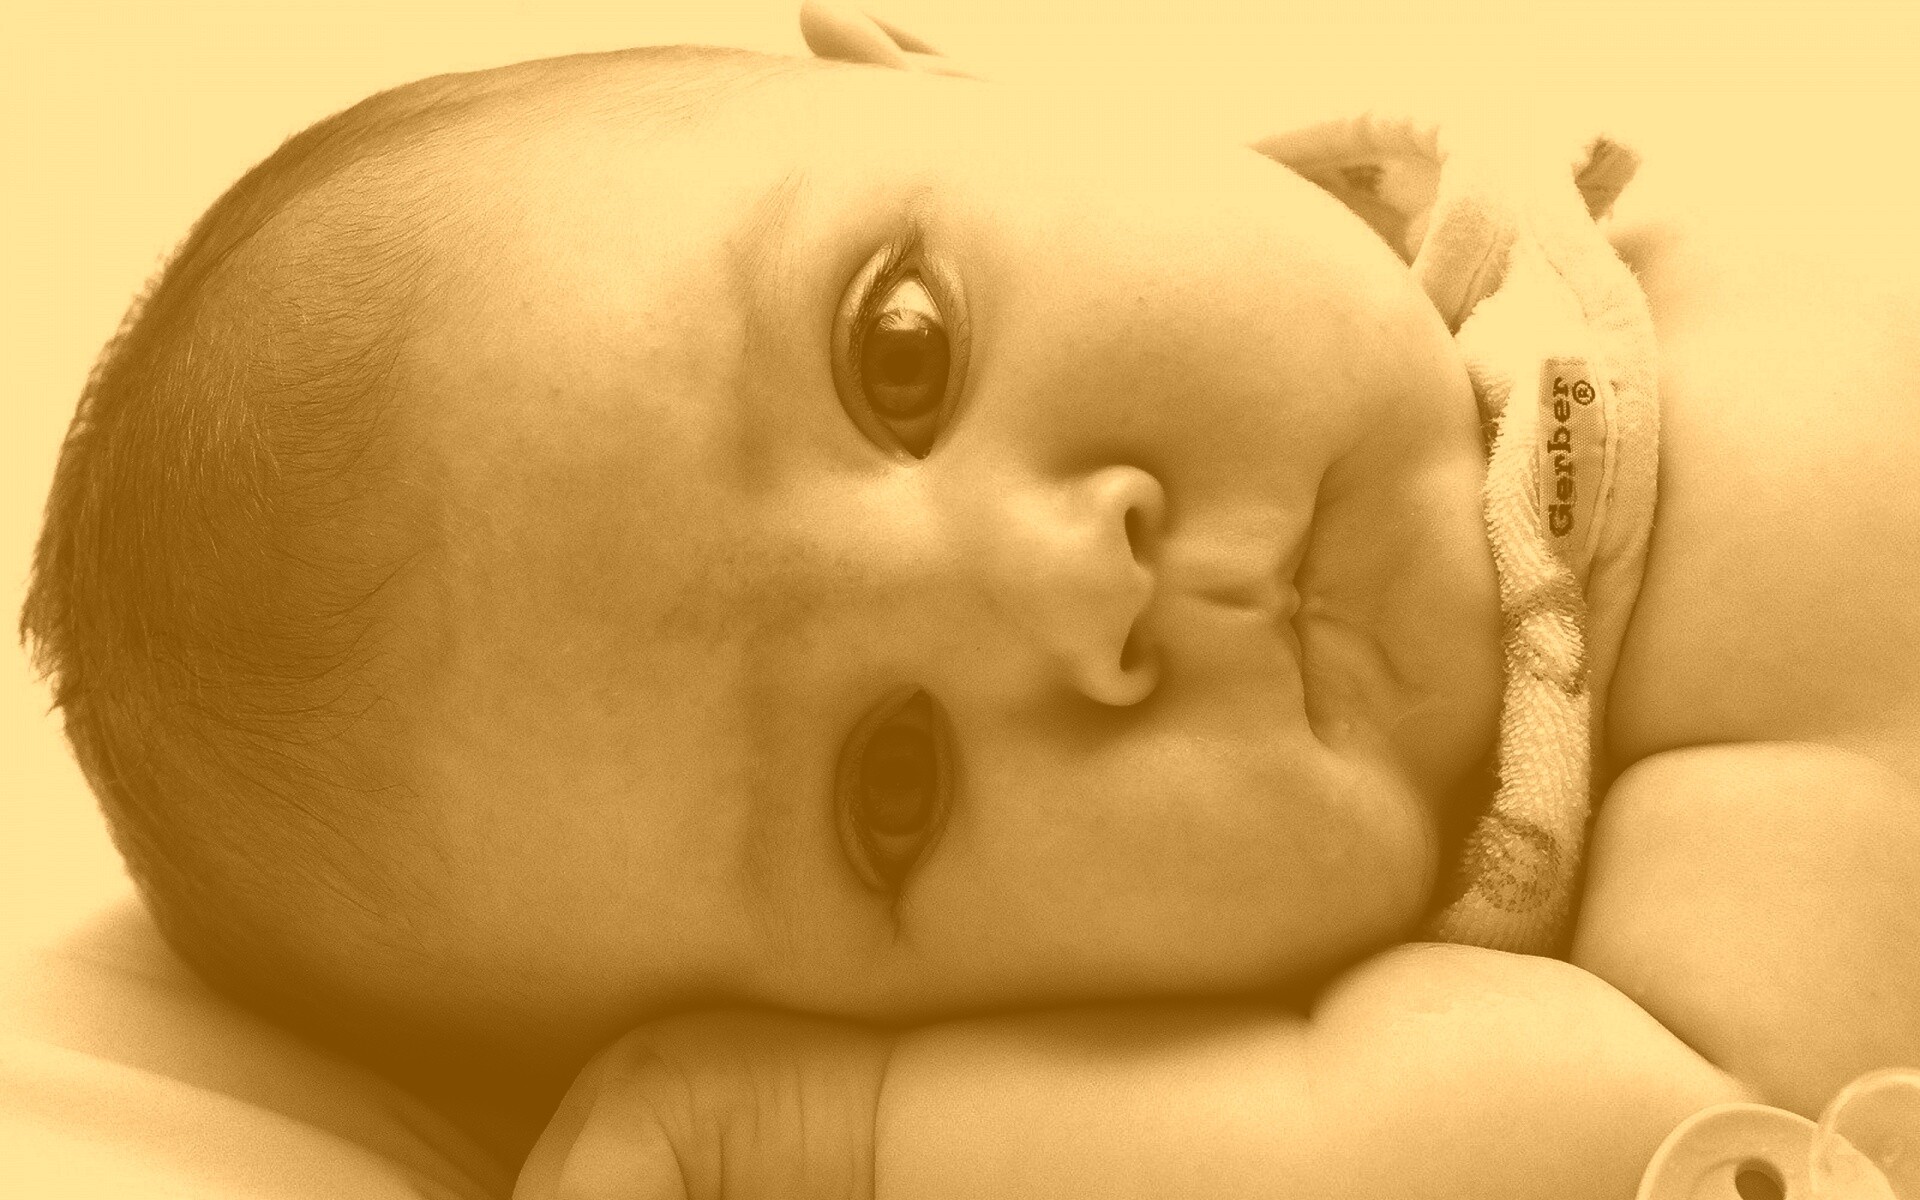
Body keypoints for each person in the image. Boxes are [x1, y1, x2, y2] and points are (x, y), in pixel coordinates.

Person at [19, 6, 1919, 1196]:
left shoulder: (1653, 330)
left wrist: (837, 1139)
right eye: (896, 791)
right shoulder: (1583, 990)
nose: (1069, 594)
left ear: (941, 69)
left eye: (905, 352)